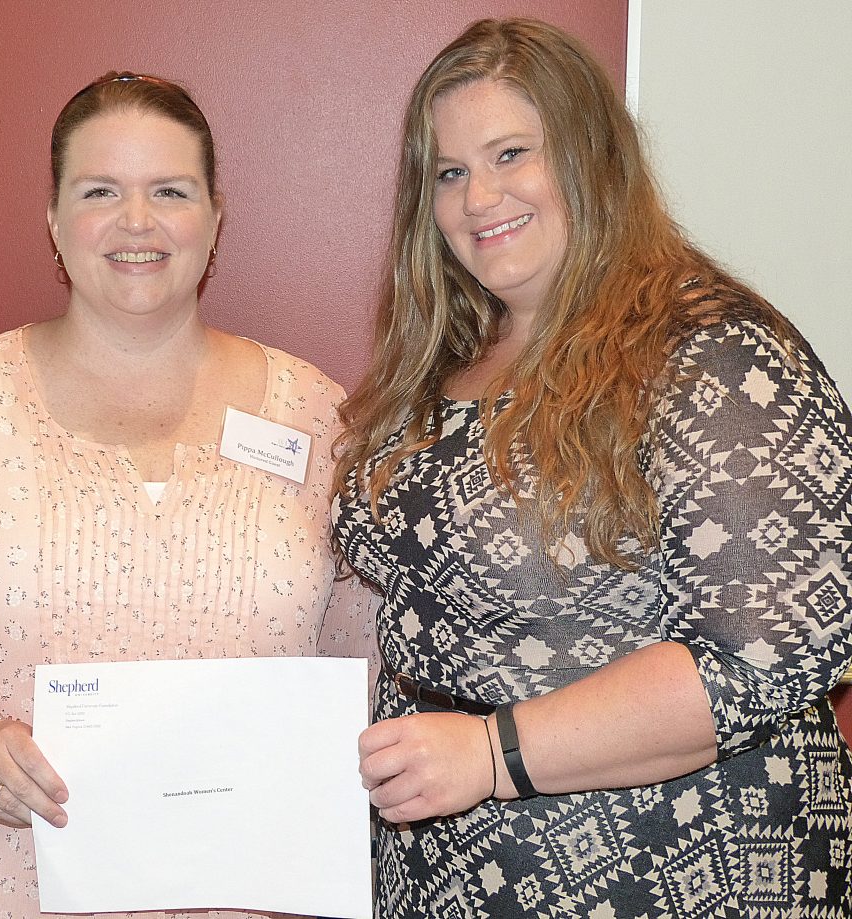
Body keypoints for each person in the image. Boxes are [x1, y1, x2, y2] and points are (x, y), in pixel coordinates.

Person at [332, 18, 852, 918]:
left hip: (666, 868)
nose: (478, 195)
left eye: (510, 153)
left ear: (589, 154)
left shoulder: (710, 351)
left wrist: (492, 754)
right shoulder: (441, 356)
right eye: (449, 172)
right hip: (446, 867)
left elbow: (760, 658)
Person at [0, 72, 375, 919]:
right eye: (100, 191)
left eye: (169, 190)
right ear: (53, 219)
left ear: (215, 217)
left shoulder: (312, 413)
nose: (137, 222)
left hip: (241, 896)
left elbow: (360, 652)